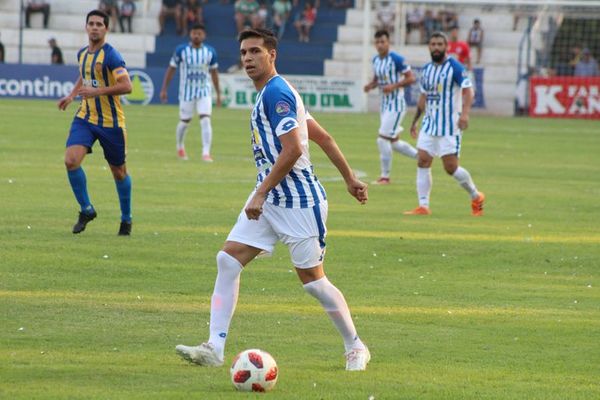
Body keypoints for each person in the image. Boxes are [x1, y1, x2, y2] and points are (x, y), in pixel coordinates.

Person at [175, 28, 371, 372]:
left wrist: (263, 191)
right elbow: (321, 137)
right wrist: (350, 178)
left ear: (272, 55)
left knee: (313, 282)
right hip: (268, 197)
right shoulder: (273, 91)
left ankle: (355, 345)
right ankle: (215, 348)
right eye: (244, 53)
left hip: (297, 200)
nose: (248, 58)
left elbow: (294, 149)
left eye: (255, 52)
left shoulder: (276, 92)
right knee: (228, 259)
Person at [57, 10, 134, 235]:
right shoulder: (83, 54)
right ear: (86, 27)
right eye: (91, 23)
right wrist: (72, 95)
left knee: (118, 172)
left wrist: (97, 91)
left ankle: (126, 219)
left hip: (111, 123)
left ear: (106, 29)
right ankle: (87, 209)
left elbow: (127, 86)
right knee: (71, 161)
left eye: (99, 24)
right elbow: (85, 73)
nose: (94, 27)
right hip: (85, 118)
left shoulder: (112, 56)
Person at [404, 32, 484, 216]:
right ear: (429, 47)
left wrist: (464, 115)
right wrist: (415, 121)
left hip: (449, 126)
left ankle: (475, 195)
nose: (436, 47)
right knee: (423, 160)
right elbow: (423, 96)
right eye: (433, 44)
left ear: (446, 46)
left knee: (450, 168)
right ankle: (423, 206)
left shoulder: (455, 67)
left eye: (440, 44)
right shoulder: (427, 70)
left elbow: (468, 91)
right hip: (429, 125)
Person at [363, 30, 417, 185]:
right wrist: (370, 86)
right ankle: (421, 157)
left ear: (388, 43)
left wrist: (394, 86)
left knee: (382, 139)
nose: (380, 45)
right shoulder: (376, 60)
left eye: (383, 42)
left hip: (396, 104)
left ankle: (385, 177)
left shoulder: (396, 59)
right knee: (393, 141)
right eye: (377, 42)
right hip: (385, 105)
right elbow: (377, 80)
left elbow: (411, 78)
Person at [160, 23, 221, 162]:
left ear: (204, 35)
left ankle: (206, 153)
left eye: (199, 33)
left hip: (204, 91)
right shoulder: (181, 50)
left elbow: (214, 73)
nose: (196, 35)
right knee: (184, 121)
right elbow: (171, 68)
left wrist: (218, 94)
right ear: (190, 34)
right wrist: (164, 89)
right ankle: (180, 146)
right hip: (186, 92)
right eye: (194, 33)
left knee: (205, 119)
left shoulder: (210, 52)